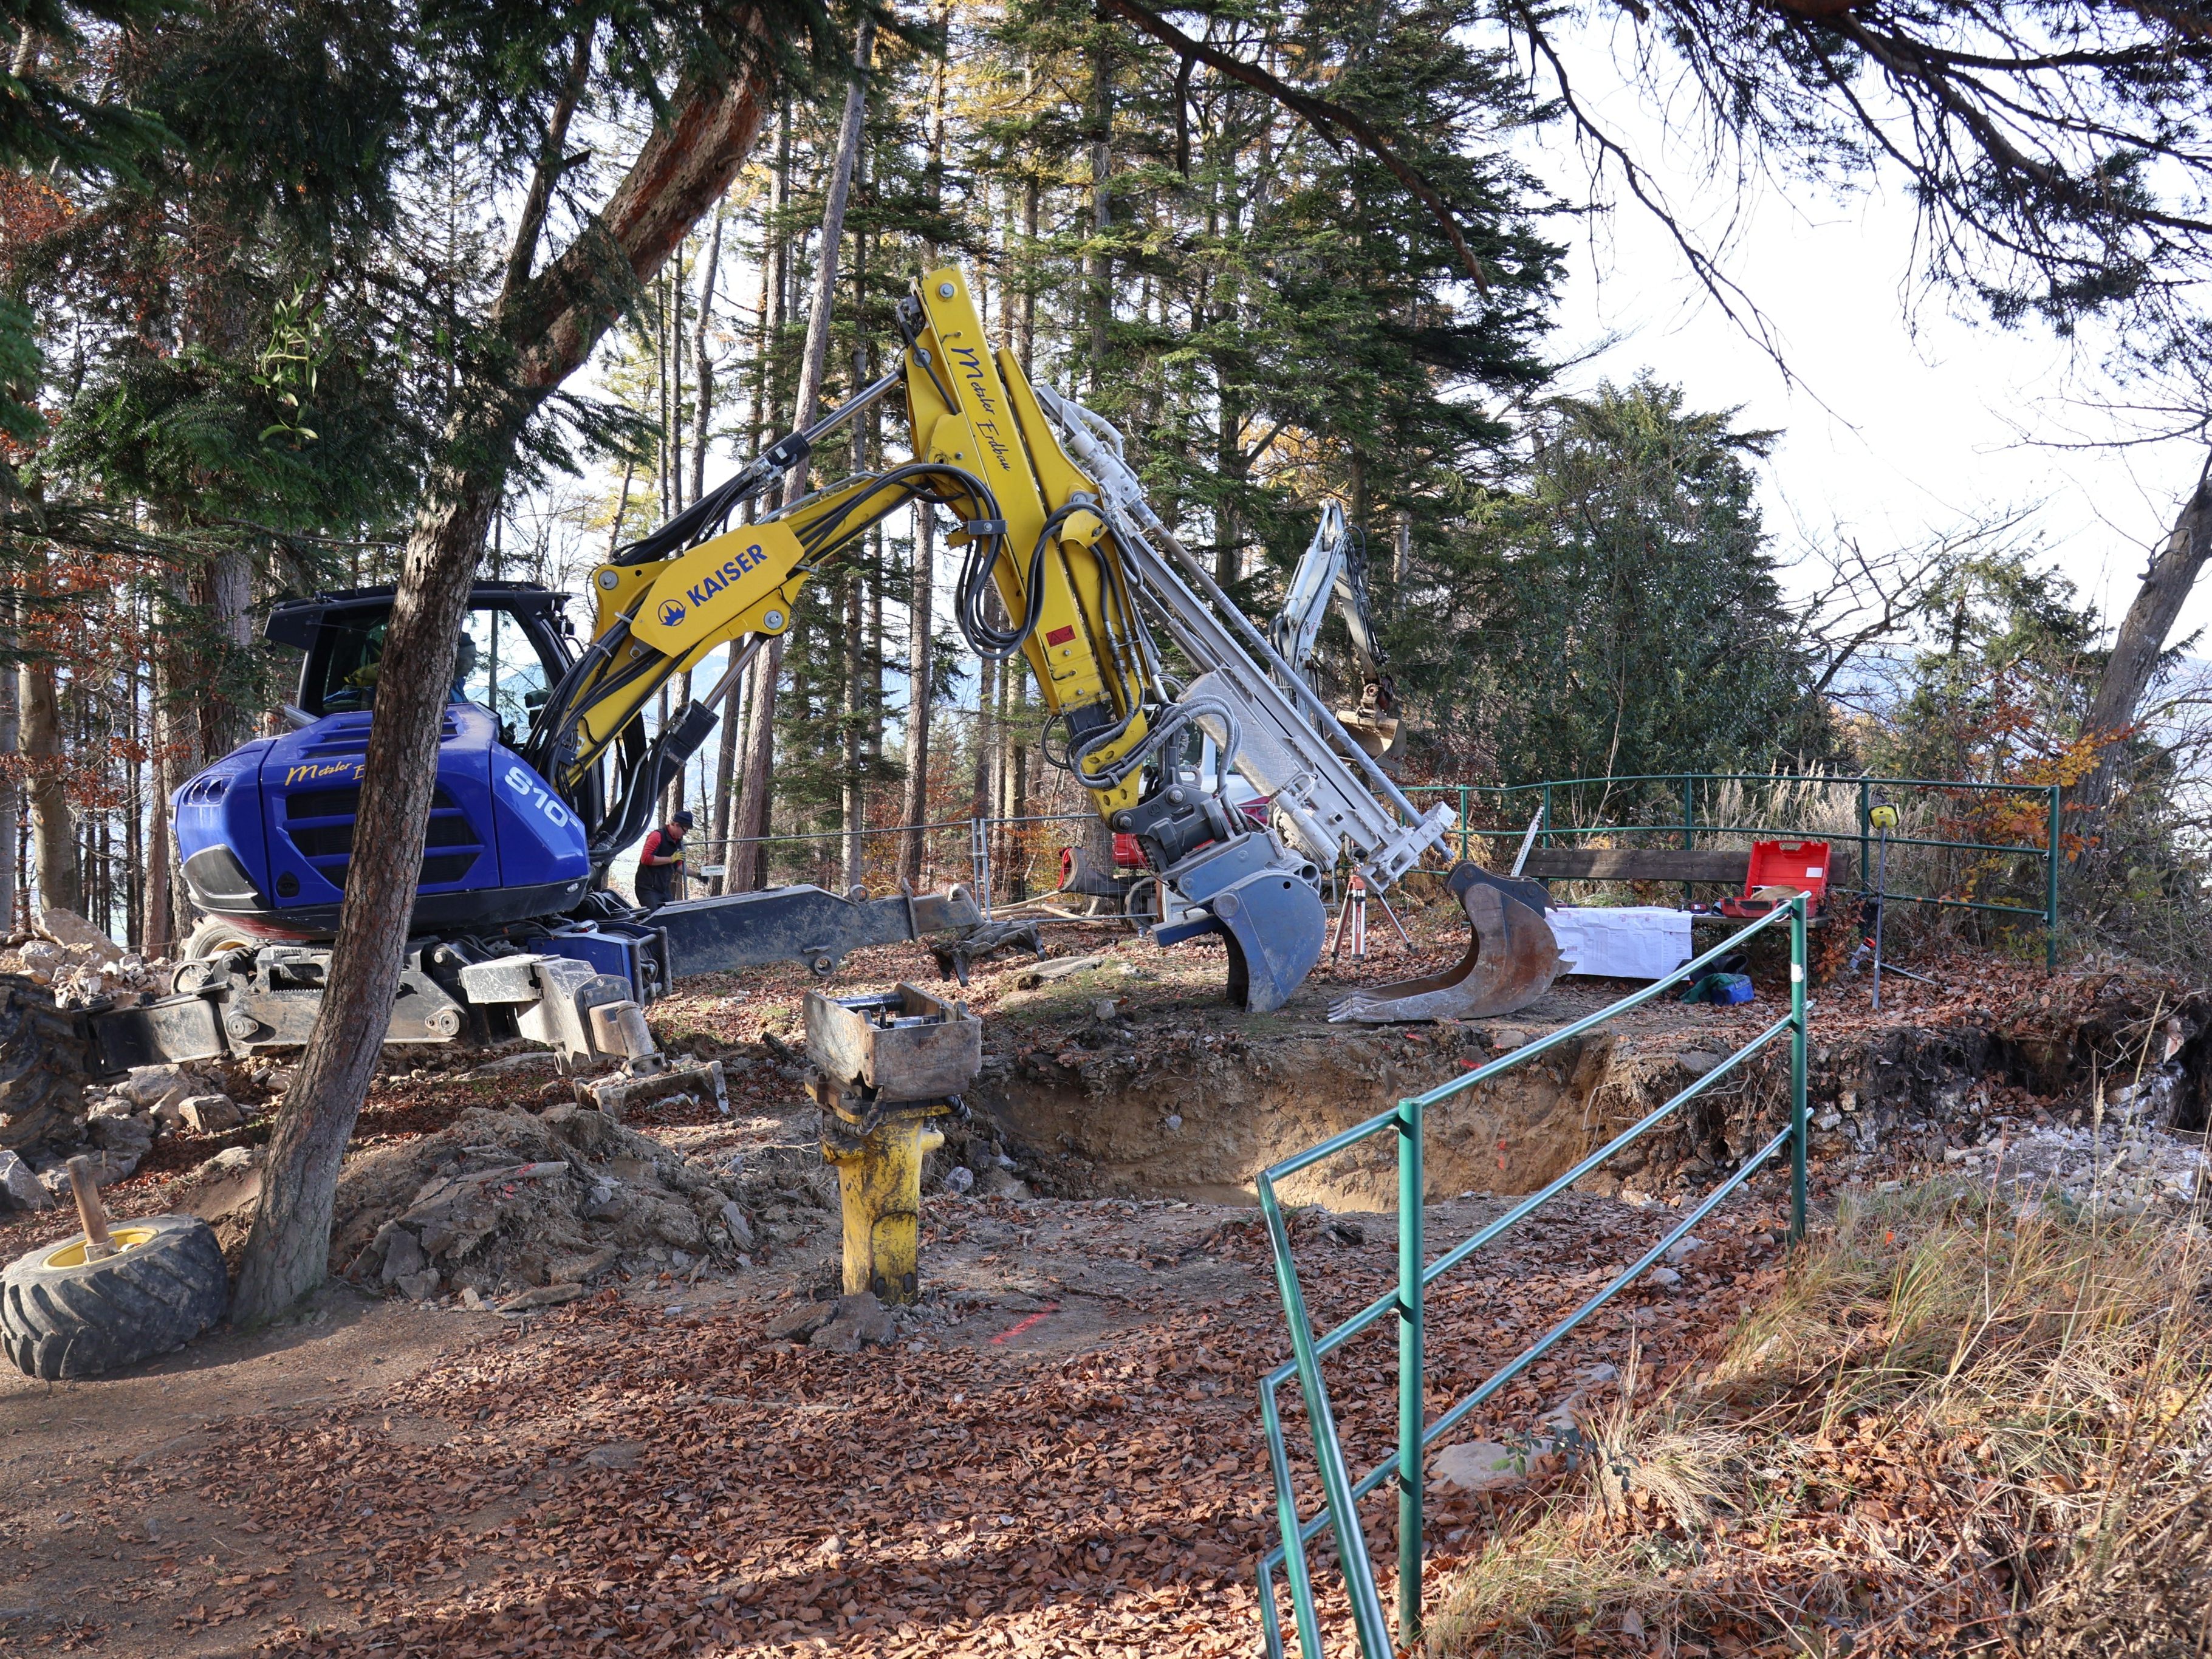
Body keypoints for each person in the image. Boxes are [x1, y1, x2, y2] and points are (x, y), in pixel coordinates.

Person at [634, 809, 693, 911]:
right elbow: (646, 859)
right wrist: (671, 859)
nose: (685, 833)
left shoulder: (677, 842)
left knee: (671, 916)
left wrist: (698, 874)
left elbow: (679, 866)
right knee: (655, 918)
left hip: (664, 889)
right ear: (676, 824)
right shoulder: (657, 836)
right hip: (647, 888)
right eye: (685, 830)